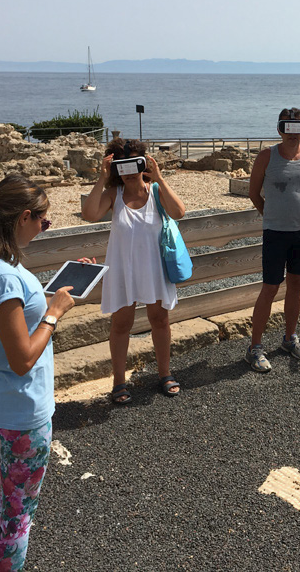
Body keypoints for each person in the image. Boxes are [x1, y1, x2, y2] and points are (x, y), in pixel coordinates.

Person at [0, 174, 76, 571]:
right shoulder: (3, 277)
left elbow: (10, 316)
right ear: (24, 217)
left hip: (4, 401)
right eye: (43, 222)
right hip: (23, 408)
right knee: (20, 513)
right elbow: (23, 358)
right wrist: (54, 312)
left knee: (10, 499)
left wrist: (48, 298)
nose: (45, 229)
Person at [81, 138, 187, 403]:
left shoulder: (155, 191)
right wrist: (102, 178)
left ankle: (164, 373)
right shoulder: (113, 195)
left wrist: (160, 179)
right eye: (121, 166)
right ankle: (119, 382)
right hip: (122, 270)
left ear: (143, 164)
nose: (128, 172)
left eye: (133, 165)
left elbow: (180, 212)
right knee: (121, 325)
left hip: (154, 268)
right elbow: (89, 215)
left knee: (160, 320)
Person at [245, 107, 300, 372]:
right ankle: (255, 347)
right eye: (287, 127)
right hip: (275, 233)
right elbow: (254, 192)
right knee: (269, 288)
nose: (292, 133)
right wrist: (272, 216)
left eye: (297, 127)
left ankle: (289, 339)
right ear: (279, 129)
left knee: (296, 286)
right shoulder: (267, 156)